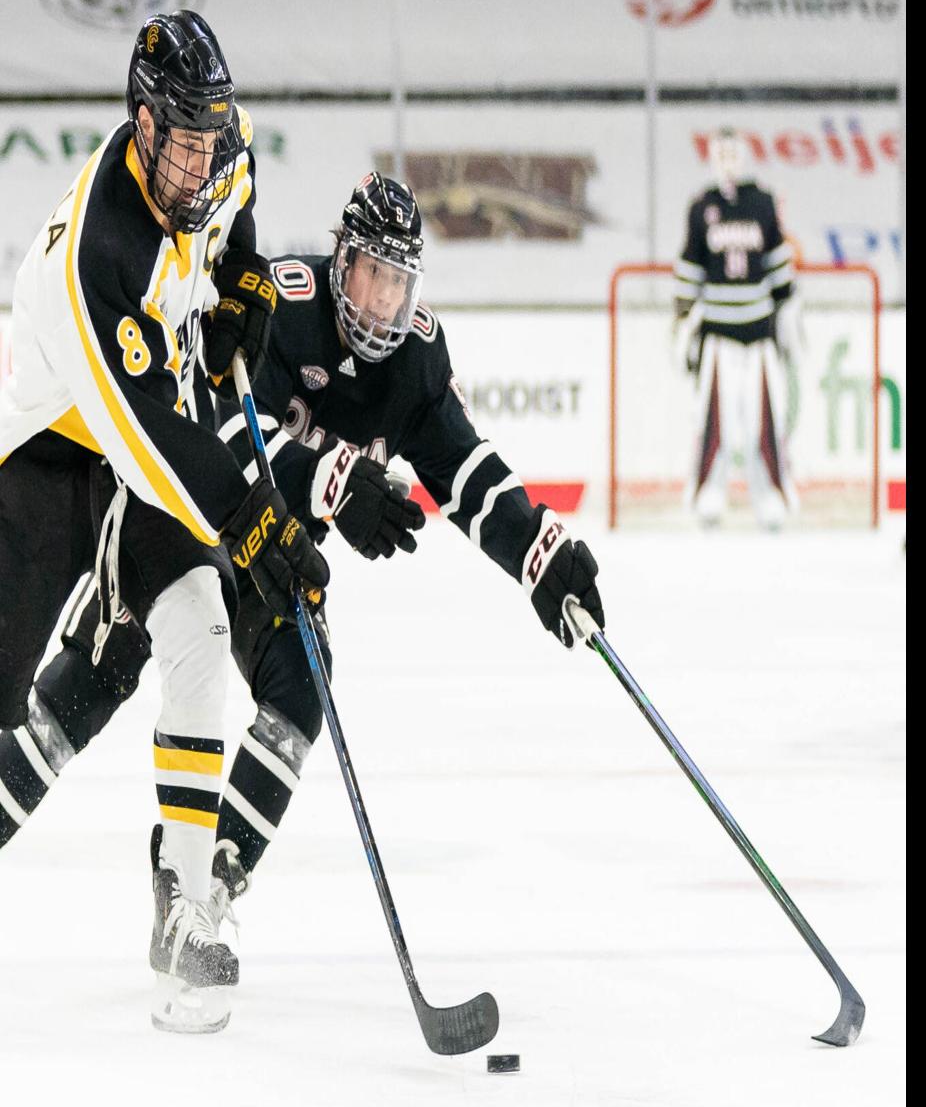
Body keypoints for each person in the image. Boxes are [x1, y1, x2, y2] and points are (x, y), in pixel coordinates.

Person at [0, 174, 605, 951]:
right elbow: (204, 424)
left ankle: (201, 893)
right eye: (371, 274)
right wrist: (322, 475)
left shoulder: (415, 357)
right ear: (340, 260)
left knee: (301, 688)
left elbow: (463, 467)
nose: (383, 300)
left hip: (276, 555)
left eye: (398, 281)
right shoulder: (281, 304)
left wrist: (536, 553)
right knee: (93, 676)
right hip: (183, 519)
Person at [0, 10, 328, 1032]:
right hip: (49, 458)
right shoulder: (97, 254)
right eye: (180, 145)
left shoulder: (215, 157)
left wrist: (238, 282)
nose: (198, 163)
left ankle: (186, 905)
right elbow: (145, 440)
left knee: (196, 620)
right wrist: (257, 523)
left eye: (209, 142)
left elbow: (238, 217)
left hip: (141, 442)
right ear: (139, 124)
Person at [673, 126, 800, 529]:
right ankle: (709, 491)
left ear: (744, 155)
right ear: (711, 157)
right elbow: (689, 268)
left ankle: (772, 496)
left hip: (758, 334)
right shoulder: (701, 207)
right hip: (718, 336)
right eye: (720, 153)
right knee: (714, 419)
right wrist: (681, 320)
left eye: (733, 152)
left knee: (767, 418)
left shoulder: (762, 202)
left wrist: (787, 313)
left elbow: (779, 263)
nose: (727, 160)